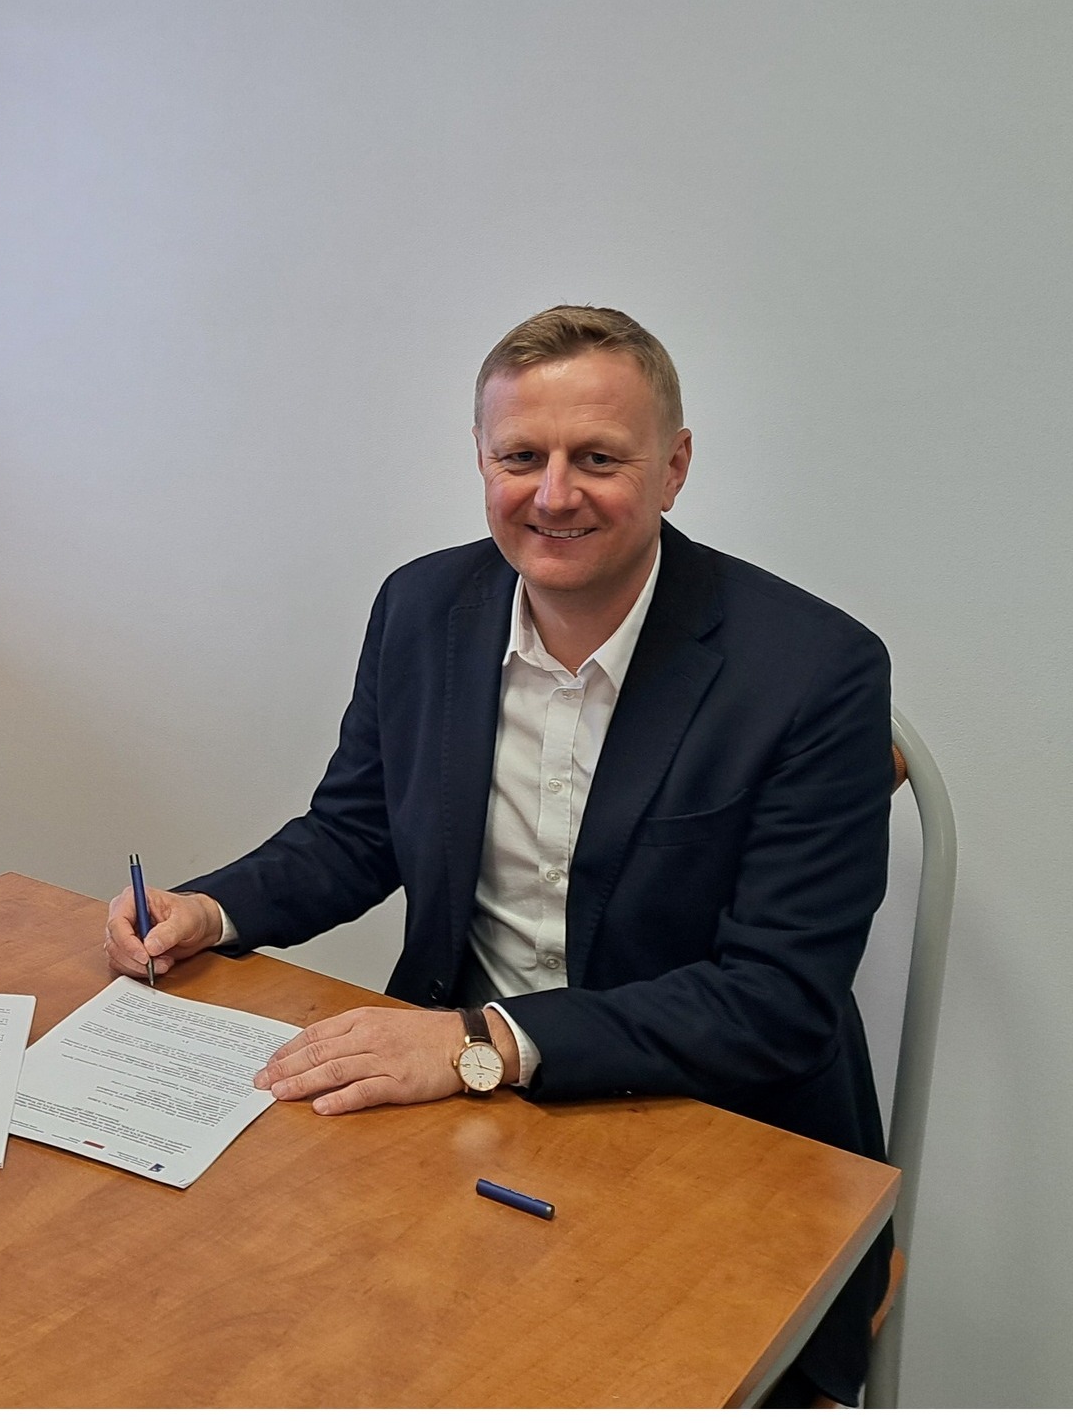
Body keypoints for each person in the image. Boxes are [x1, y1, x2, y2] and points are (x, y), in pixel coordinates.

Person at [104, 306, 893, 1404]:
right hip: (461, 1118)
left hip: (713, 1128)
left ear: (673, 467)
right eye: (521, 457)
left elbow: (776, 999)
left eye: (598, 459)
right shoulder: (423, 607)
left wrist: (480, 1043)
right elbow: (357, 830)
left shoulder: (813, 670)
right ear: (480, 460)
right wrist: (211, 910)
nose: (554, 495)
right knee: (255, 1324)